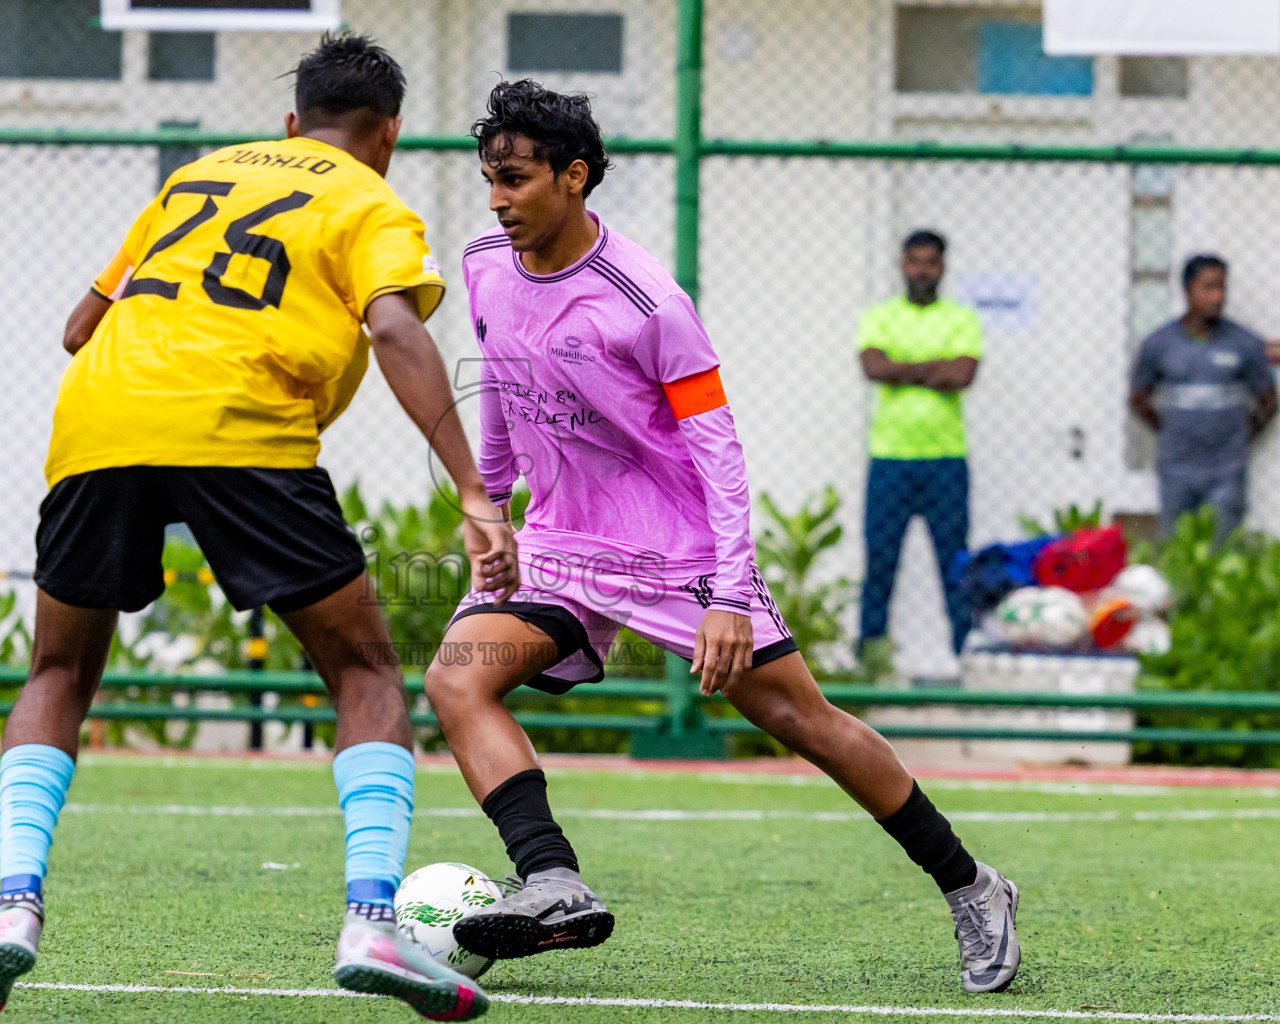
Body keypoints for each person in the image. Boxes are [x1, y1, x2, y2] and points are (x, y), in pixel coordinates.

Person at [0, 34, 515, 1021]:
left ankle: (11, 909)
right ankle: (371, 920)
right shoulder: (369, 200)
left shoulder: (197, 178)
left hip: (101, 418)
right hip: (239, 427)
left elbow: (80, 324)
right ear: (386, 137)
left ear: (292, 123)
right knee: (366, 672)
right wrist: (472, 486)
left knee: (58, 673)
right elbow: (393, 327)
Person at [423, 80, 1020, 995]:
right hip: (562, 540)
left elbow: (719, 450)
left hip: (677, 549)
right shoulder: (483, 262)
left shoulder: (648, 300)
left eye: (514, 180)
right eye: (489, 180)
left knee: (800, 721)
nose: (497, 199)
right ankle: (550, 878)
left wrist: (732, 594)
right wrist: (490, 503)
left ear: (574, 177)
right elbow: (499, 386)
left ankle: (972, 885)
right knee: (457, 677)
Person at [856, 230, 983, 660]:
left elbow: (962, 375)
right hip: (890, 460)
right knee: (879, 566)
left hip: (945, 461)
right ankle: (870, 662)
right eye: (914, 261)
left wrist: (902, 368)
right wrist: (934, 370)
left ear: (943, 267)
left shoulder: (961, 318)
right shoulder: (880, 315)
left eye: (931, 262)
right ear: (902, 265)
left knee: (956, 567)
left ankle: (967, 661)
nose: (922, 270)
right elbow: (874, 367)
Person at [1131, 253, 1277, 542]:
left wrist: (1239, 436)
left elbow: (1269, 401)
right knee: (1176, 550)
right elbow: (1138, 400)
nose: (1217, 296)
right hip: (1176, 469)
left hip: (1226, 470)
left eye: (1222, 288)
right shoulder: (1159, 344)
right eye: (1208, 287)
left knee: (1222, 551)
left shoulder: (1243, 343)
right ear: (1187, 291)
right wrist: (1171, 431)